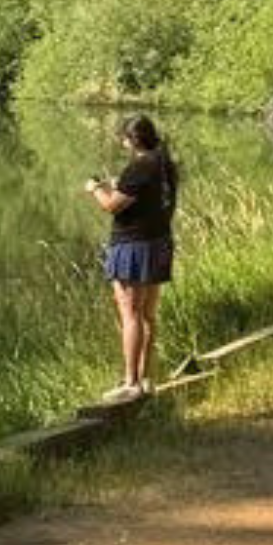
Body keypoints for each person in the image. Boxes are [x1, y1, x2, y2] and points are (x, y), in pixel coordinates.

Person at [84, 115, 179, 403]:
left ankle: (131, 383)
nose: (122, 144)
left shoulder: (139, 167)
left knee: (130, 314)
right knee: (147, 314)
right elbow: (146, 194)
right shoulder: (164, 164)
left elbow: (113, 205)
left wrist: (96, 189)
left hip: (133, 246)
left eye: (124, 139)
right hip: (157, 242)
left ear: (133, 139)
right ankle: (146, 378)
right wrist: (118, 182)